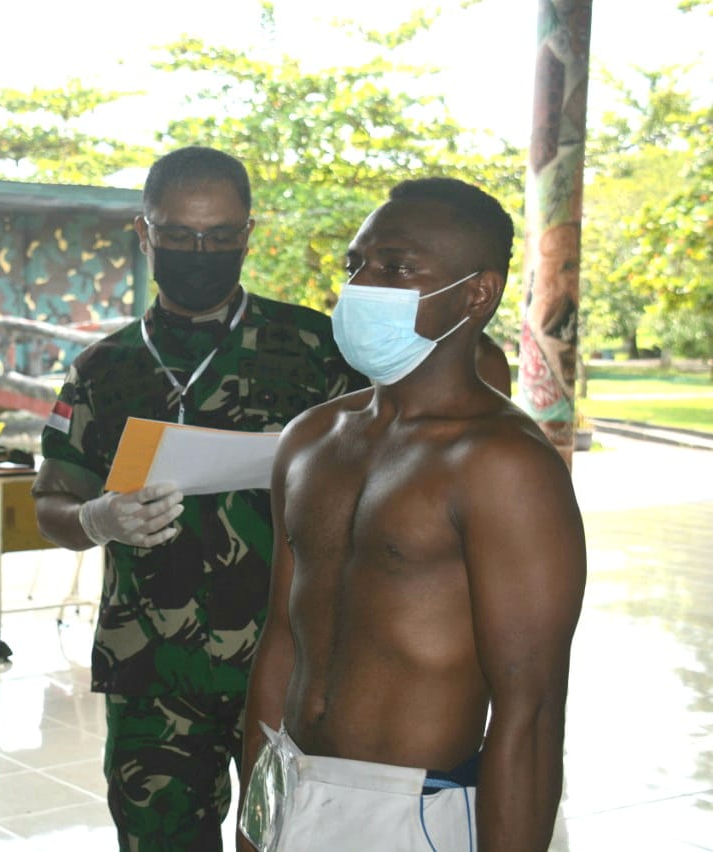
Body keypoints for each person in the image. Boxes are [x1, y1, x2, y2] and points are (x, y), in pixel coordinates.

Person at [31, 145, 365, 851]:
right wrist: (96, 519)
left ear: (248, 234)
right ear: (145, 233)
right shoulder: (103, 369)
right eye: (179, 235)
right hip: (154, 670)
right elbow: (49, 504)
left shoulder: (312, 349)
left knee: (292, 838)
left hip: (291, 657)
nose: (200, 251)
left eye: (219, 236)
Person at [240, 178, 585, 852]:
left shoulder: (502, 466)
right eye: (356, 265)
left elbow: (532, 711)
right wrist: (256, 823)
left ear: (475, 293)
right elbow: (280, 637)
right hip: (298, 792)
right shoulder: (310, 440)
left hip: (421, 810)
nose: (362, 284)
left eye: (396, 267)